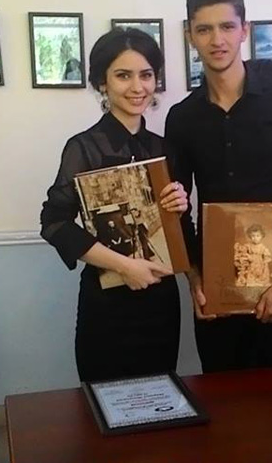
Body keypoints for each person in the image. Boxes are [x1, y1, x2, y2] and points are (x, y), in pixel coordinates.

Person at [165, 0, 272, 372]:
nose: (217, 39)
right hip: (216, 294)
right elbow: (177, 209)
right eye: (204, 29)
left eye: (227, 26)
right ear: (189, 36)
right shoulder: (182, 118)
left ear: (244, 30)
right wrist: (194, 279)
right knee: (223, 403)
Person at [40, 28, 188, 381]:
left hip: (161, 302)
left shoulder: (165, 148)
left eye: (146, 75)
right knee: (104, 401)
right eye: (123, 75)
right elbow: (54, 222)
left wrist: (180, 205)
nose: (137, 87)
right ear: (102, 83)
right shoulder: (83, 148)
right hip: (106, 304)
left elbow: (177, 229)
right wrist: (124, 266)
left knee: (160, 395)